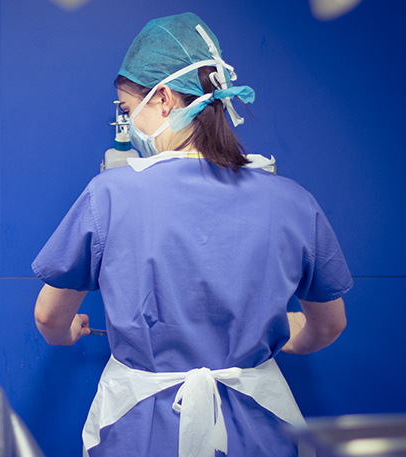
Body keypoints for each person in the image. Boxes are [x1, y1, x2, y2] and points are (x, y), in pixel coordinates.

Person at [32, 12, 351, 457]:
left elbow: (49, 317)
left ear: (163, 99)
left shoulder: (108, 195)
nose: (131, 126)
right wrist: (275, 335)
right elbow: (329, 325)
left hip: (139, 433)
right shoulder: (292, 202)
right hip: (259, 436)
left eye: (128, 111)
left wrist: (68, 332)